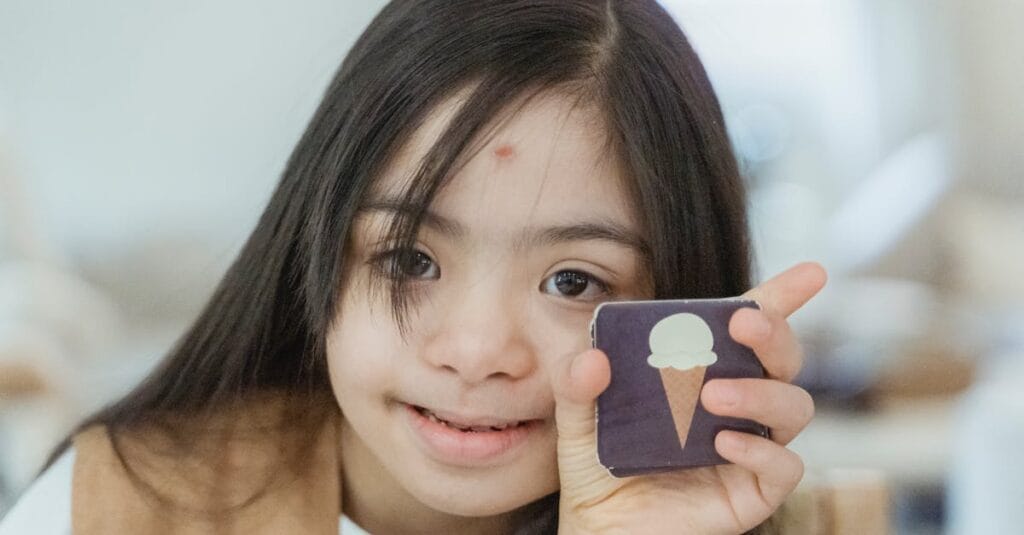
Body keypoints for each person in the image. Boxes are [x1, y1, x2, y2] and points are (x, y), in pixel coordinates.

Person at [0, 0, 824, 533]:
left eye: (573, 281)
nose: (474, 350)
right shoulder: (107, 508)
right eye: (409, 258)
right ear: (313, 250)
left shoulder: (782, 517)